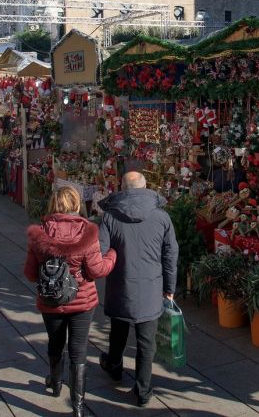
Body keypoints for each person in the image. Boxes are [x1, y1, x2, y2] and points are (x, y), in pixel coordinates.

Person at [24, 186, 117, 417]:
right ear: (76, 204)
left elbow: (30, 273)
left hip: (51, 301)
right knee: (79, 351)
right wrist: (112, 256)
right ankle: (77, 407)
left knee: (55, 344)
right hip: (82, 301)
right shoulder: (87, 232)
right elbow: (96, 270)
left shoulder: (40, 234)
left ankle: (55, 384)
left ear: (53, 204)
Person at [98, 171, 179, 408]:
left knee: (119, 329)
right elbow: (170, 254)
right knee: (146, 342)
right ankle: (143, 390)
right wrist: (170, 287)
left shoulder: (110, 217)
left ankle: (114, 365)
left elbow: (101, 252)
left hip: (120, 283)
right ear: (146, 188)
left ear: (122, 188)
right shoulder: (162, 218)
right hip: (151, 286)